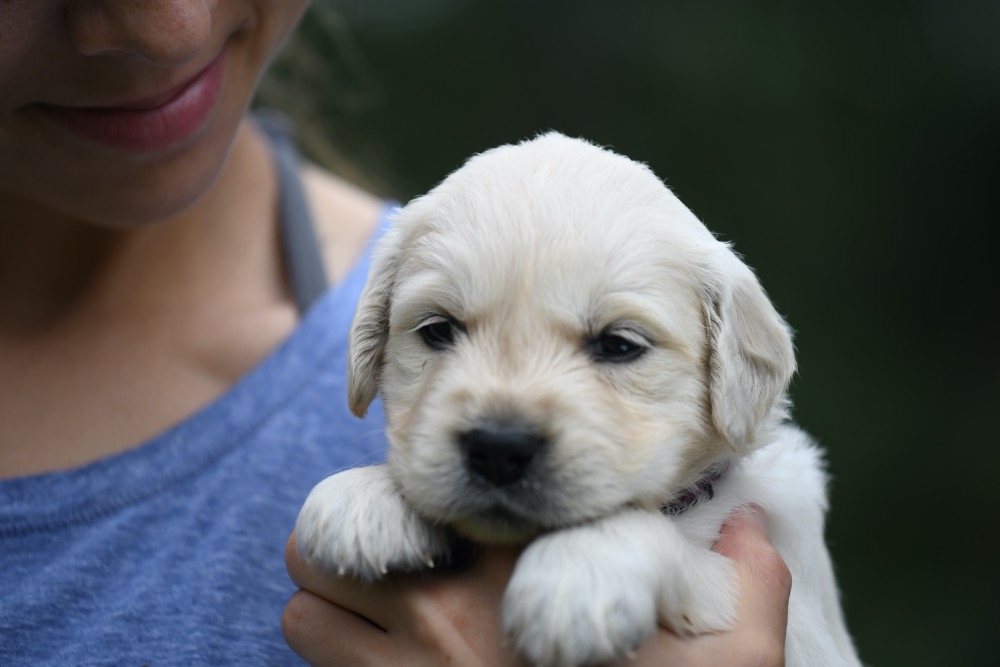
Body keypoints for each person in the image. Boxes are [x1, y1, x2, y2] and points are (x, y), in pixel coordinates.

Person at [0, 2, 791, 665]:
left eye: (616, 345)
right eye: (441, 331)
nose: (166, 25)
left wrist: (645, 558)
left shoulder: (739, 467)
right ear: (368, 341)